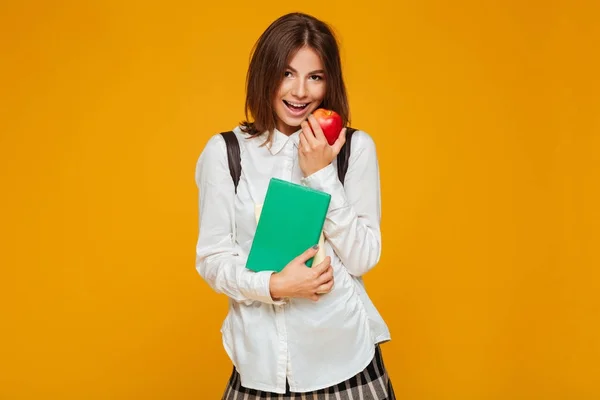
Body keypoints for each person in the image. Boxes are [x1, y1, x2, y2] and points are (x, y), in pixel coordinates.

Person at [194, 12, 395, 399]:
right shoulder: (227, 153)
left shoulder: (354, 149)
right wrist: (274, 285)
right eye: (287, 73)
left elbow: (363, 257)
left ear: (329, 81)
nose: (300, 91)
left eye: (315, 77)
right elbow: (213, 259)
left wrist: (322, 175)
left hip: (345, 361)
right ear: (265, 75)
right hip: (259, 368)